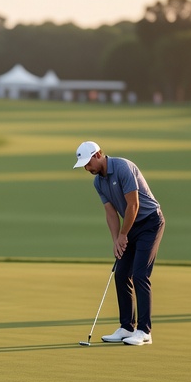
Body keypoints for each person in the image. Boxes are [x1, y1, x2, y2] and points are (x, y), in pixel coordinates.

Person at [73, 140, 164, 345]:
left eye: (88, 163)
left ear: (98, 155)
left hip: (150, 222)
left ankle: (144, 331)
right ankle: (126, 327)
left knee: (140, 274)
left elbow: (133, 205)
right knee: (121, 273)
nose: (87, 168)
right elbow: (111, 213)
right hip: (130, 226)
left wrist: (123, 235)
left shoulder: (123, 167)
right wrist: (116, 240)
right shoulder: (98, 182)